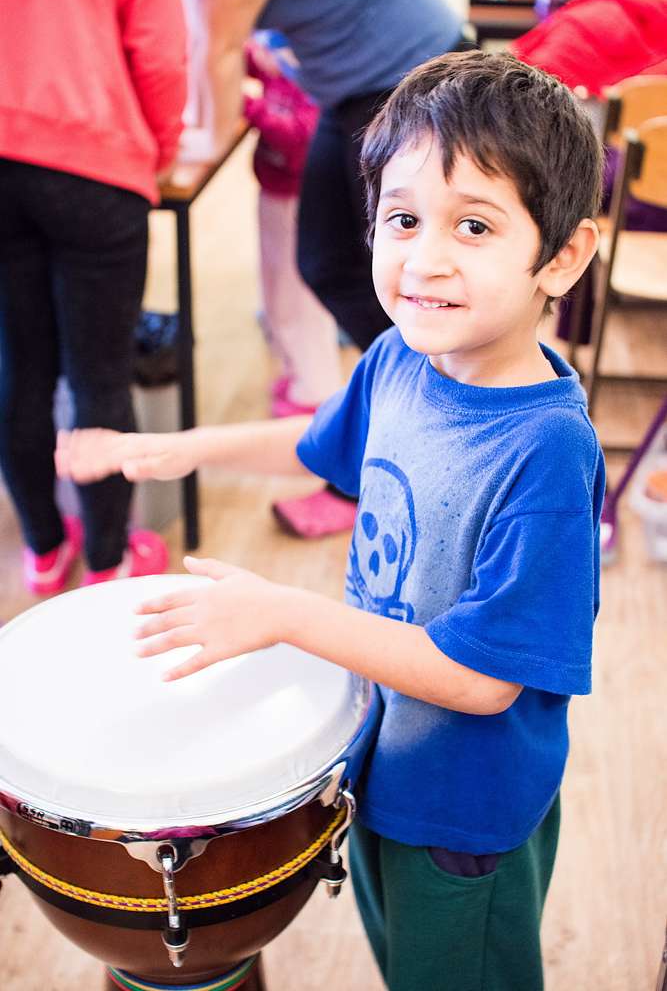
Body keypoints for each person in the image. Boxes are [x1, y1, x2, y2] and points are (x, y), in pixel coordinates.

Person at [56, 52, 605, 990]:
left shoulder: (546, 451)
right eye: (402, 219)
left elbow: (483, 683)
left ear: (561, 255)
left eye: (473, 225)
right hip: (383, 761)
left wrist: (282, 615)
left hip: (464, 813)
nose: (423, 259)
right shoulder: (401, 357)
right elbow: (321, 446)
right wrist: (183, 447)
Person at [198, 0, 469, 536]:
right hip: (351, 93)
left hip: (410, 78)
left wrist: (200, 143)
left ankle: (414, 441)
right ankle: (419, 413)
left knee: (398, 285)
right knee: (326, 264)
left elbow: (218, 48)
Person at [0, 0, 187, 593]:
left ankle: (45, 552)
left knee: (18, 369)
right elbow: (160, 55)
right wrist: (159, 149)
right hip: (95, 159)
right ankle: (109, 561)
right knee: (99, 378)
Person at [243, 32, 342, 417]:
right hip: (276, 191)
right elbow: (254, 63)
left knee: (298, 295)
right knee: (277, 291)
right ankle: (297, 371)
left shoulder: (313, 79)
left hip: (296, 198)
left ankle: (314, 389)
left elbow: (299, 140)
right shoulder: (284, 64)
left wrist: (251, 109)